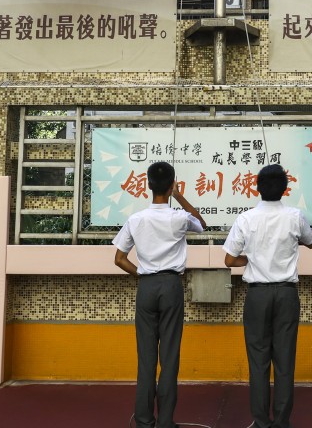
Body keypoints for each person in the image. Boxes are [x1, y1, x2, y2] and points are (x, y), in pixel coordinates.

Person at [112, 161, 206, 428]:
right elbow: (201, 223)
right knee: (169, 356)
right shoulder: (178, 218)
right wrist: (179, 196)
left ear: (148, 185)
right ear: (171, 184)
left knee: (146, 358)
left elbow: (119, 258)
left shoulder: (136, 219)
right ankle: (166, 421)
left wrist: (141, 272)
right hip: (171, 286)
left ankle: (143, 420)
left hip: (147, 286)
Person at [223, 164, 312, 428]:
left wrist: (252, 260)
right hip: (287, 294)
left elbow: (229, 258)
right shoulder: (295, 216)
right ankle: (282, 421)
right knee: (285, 361)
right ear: (286, 188)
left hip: (257, 295)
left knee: (258, 361)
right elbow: (310, 242)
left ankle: (261, 422)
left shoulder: (246, 218)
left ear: (257, 187)